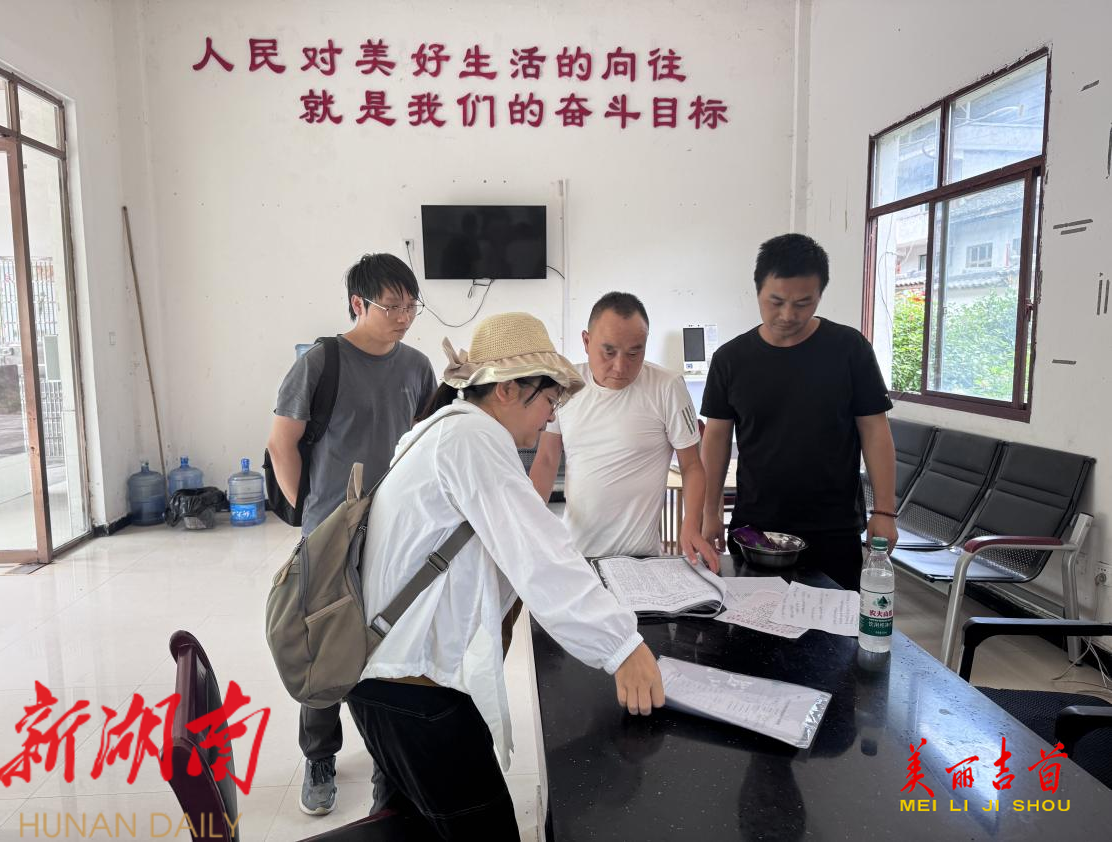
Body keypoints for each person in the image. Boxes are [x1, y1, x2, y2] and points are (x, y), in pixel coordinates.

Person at [349, 312, 664, 840]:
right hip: (411, 693)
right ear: (508, 389)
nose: (551, 415)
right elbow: (539, 555)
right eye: (549, 399)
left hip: (391, 681)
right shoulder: (471, 438)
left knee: (414, 826)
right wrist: (622, 646)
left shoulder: (444, 430)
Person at [267, 253, 436, 816]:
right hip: (331, 531)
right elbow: (281, 443)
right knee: (326, 642)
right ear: (358, 304)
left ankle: (391, 758)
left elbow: (425, 440)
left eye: (411, 306)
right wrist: (310, 515)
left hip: (396, 529)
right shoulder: (321, 362)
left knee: (390, 644)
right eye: (392, 306)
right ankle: (319, 756)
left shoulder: (417, 367)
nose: (404, 317)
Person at [700, 233, 897, 590]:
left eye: (804, 303)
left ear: (819, 296)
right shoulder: (731, 359)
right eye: (776, 301)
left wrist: (884, 511)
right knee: (753, 622)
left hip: (834, 527)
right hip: (756, 528)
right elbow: (716, 438)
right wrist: (710, 511)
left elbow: (875, 431)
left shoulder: (849, 349)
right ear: (757, 291)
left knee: (836, 622)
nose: (788, 315)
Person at [530, 292, 718, 570]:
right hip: (577, 555)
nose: (620, 367)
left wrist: (690, 524)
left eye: (633, 353)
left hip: (641, 558)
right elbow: (546, 460)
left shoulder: (666, 387)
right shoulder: (566, 385)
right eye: (609, 352)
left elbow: (691, 466)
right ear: (586, 342)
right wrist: (530, 524)